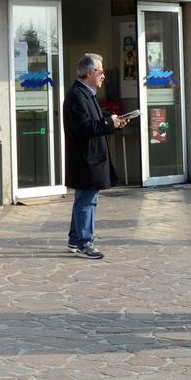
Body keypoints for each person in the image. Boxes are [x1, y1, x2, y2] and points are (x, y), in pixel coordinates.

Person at [64, 53, 128, 260]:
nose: (103, 76)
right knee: (87, 201)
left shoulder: (86, 93)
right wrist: (109, 123)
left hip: (90, 157)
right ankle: (85, 243)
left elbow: (94, 123)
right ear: (90, 72)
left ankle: (75, 239)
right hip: (85, 158)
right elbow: (84, 128)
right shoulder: (77, 95)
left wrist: (114, 123)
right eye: (101, 72)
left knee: (84, 199)